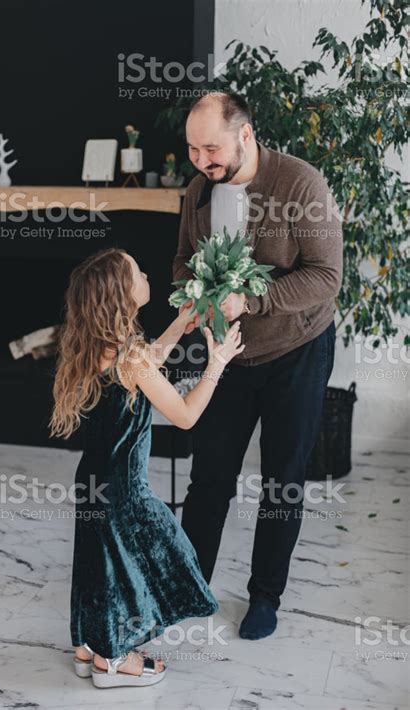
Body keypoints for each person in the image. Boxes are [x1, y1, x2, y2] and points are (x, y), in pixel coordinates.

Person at [174, 91, 343, 641]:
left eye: (212, 147)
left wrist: (251, 300)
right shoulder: (198, 190)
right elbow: (183, 260)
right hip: (226, 356)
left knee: (282, 480)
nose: (202, 160)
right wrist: (192, 299)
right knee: (209, 478)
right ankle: (188, 585)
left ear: (246, 135)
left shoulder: (300, 184)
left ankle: (265, 596)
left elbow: (325, 277)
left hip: (297, 349)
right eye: (194, 149)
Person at [50, 248, 244, 688]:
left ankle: (88, 647)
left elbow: (142, 365)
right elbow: (185, 416)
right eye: (138, 271)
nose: (146, 273)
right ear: (122, 294)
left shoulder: (100, 348)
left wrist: (179, 324)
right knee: (147, 565)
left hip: (93, 482)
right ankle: (114, 660)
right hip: (125, 491)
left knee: (98, 565)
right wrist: (216, 365)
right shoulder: (131, 357)